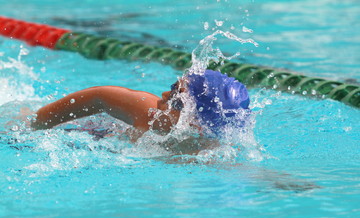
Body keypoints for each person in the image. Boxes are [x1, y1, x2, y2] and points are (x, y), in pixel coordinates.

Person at [31, 70, 250, 141]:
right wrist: (36, 123)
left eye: (176, 97)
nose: (164, 94)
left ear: (197, 122)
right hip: (91, 128)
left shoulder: (204, 149)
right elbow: (98, 96)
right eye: (173, 86)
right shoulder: (146, 110)